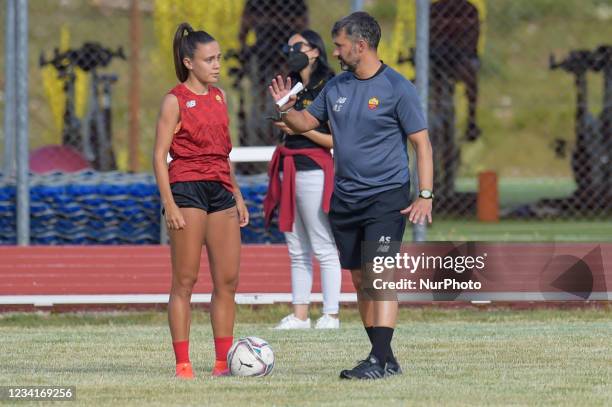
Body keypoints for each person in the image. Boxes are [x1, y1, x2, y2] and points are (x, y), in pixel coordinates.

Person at [268, 12, 434, 379]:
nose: (337, 52)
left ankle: (376, 360)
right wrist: (286, 106)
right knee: (361, 282)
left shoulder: (396, 87)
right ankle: (385, 358)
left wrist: (425, 194)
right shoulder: (336, 87)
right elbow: (304, 124)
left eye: (341, 45)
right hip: (345, 197)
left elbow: (421, 143)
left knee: (379, 276)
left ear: (360, 45)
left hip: (386, 197)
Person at [153, 22, 249, 379]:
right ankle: (183, 364)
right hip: (187, 189)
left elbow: (224, 153)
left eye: (219, 58)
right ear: (189, 62)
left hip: (220, 190)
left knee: (227, 281)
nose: (217, 65)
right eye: (209, 59)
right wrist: (170, 204)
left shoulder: (221, 97)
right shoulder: (174, 100)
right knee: (185, 281)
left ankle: (224, 362)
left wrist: (237, 195)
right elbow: (159, 156)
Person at [263, 30, 342, 330]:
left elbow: (333, 139)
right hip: (288, 165)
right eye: (289, 45)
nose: (292, 50)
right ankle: (299, 315)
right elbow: (286, 125)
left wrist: (301, 128)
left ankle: (330, 314)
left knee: (322, 244)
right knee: (296, 247)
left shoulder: (331, 85)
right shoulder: (292, 82)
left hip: (313, 167)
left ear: (316, 51)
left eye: (299, 46)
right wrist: (286, 116)